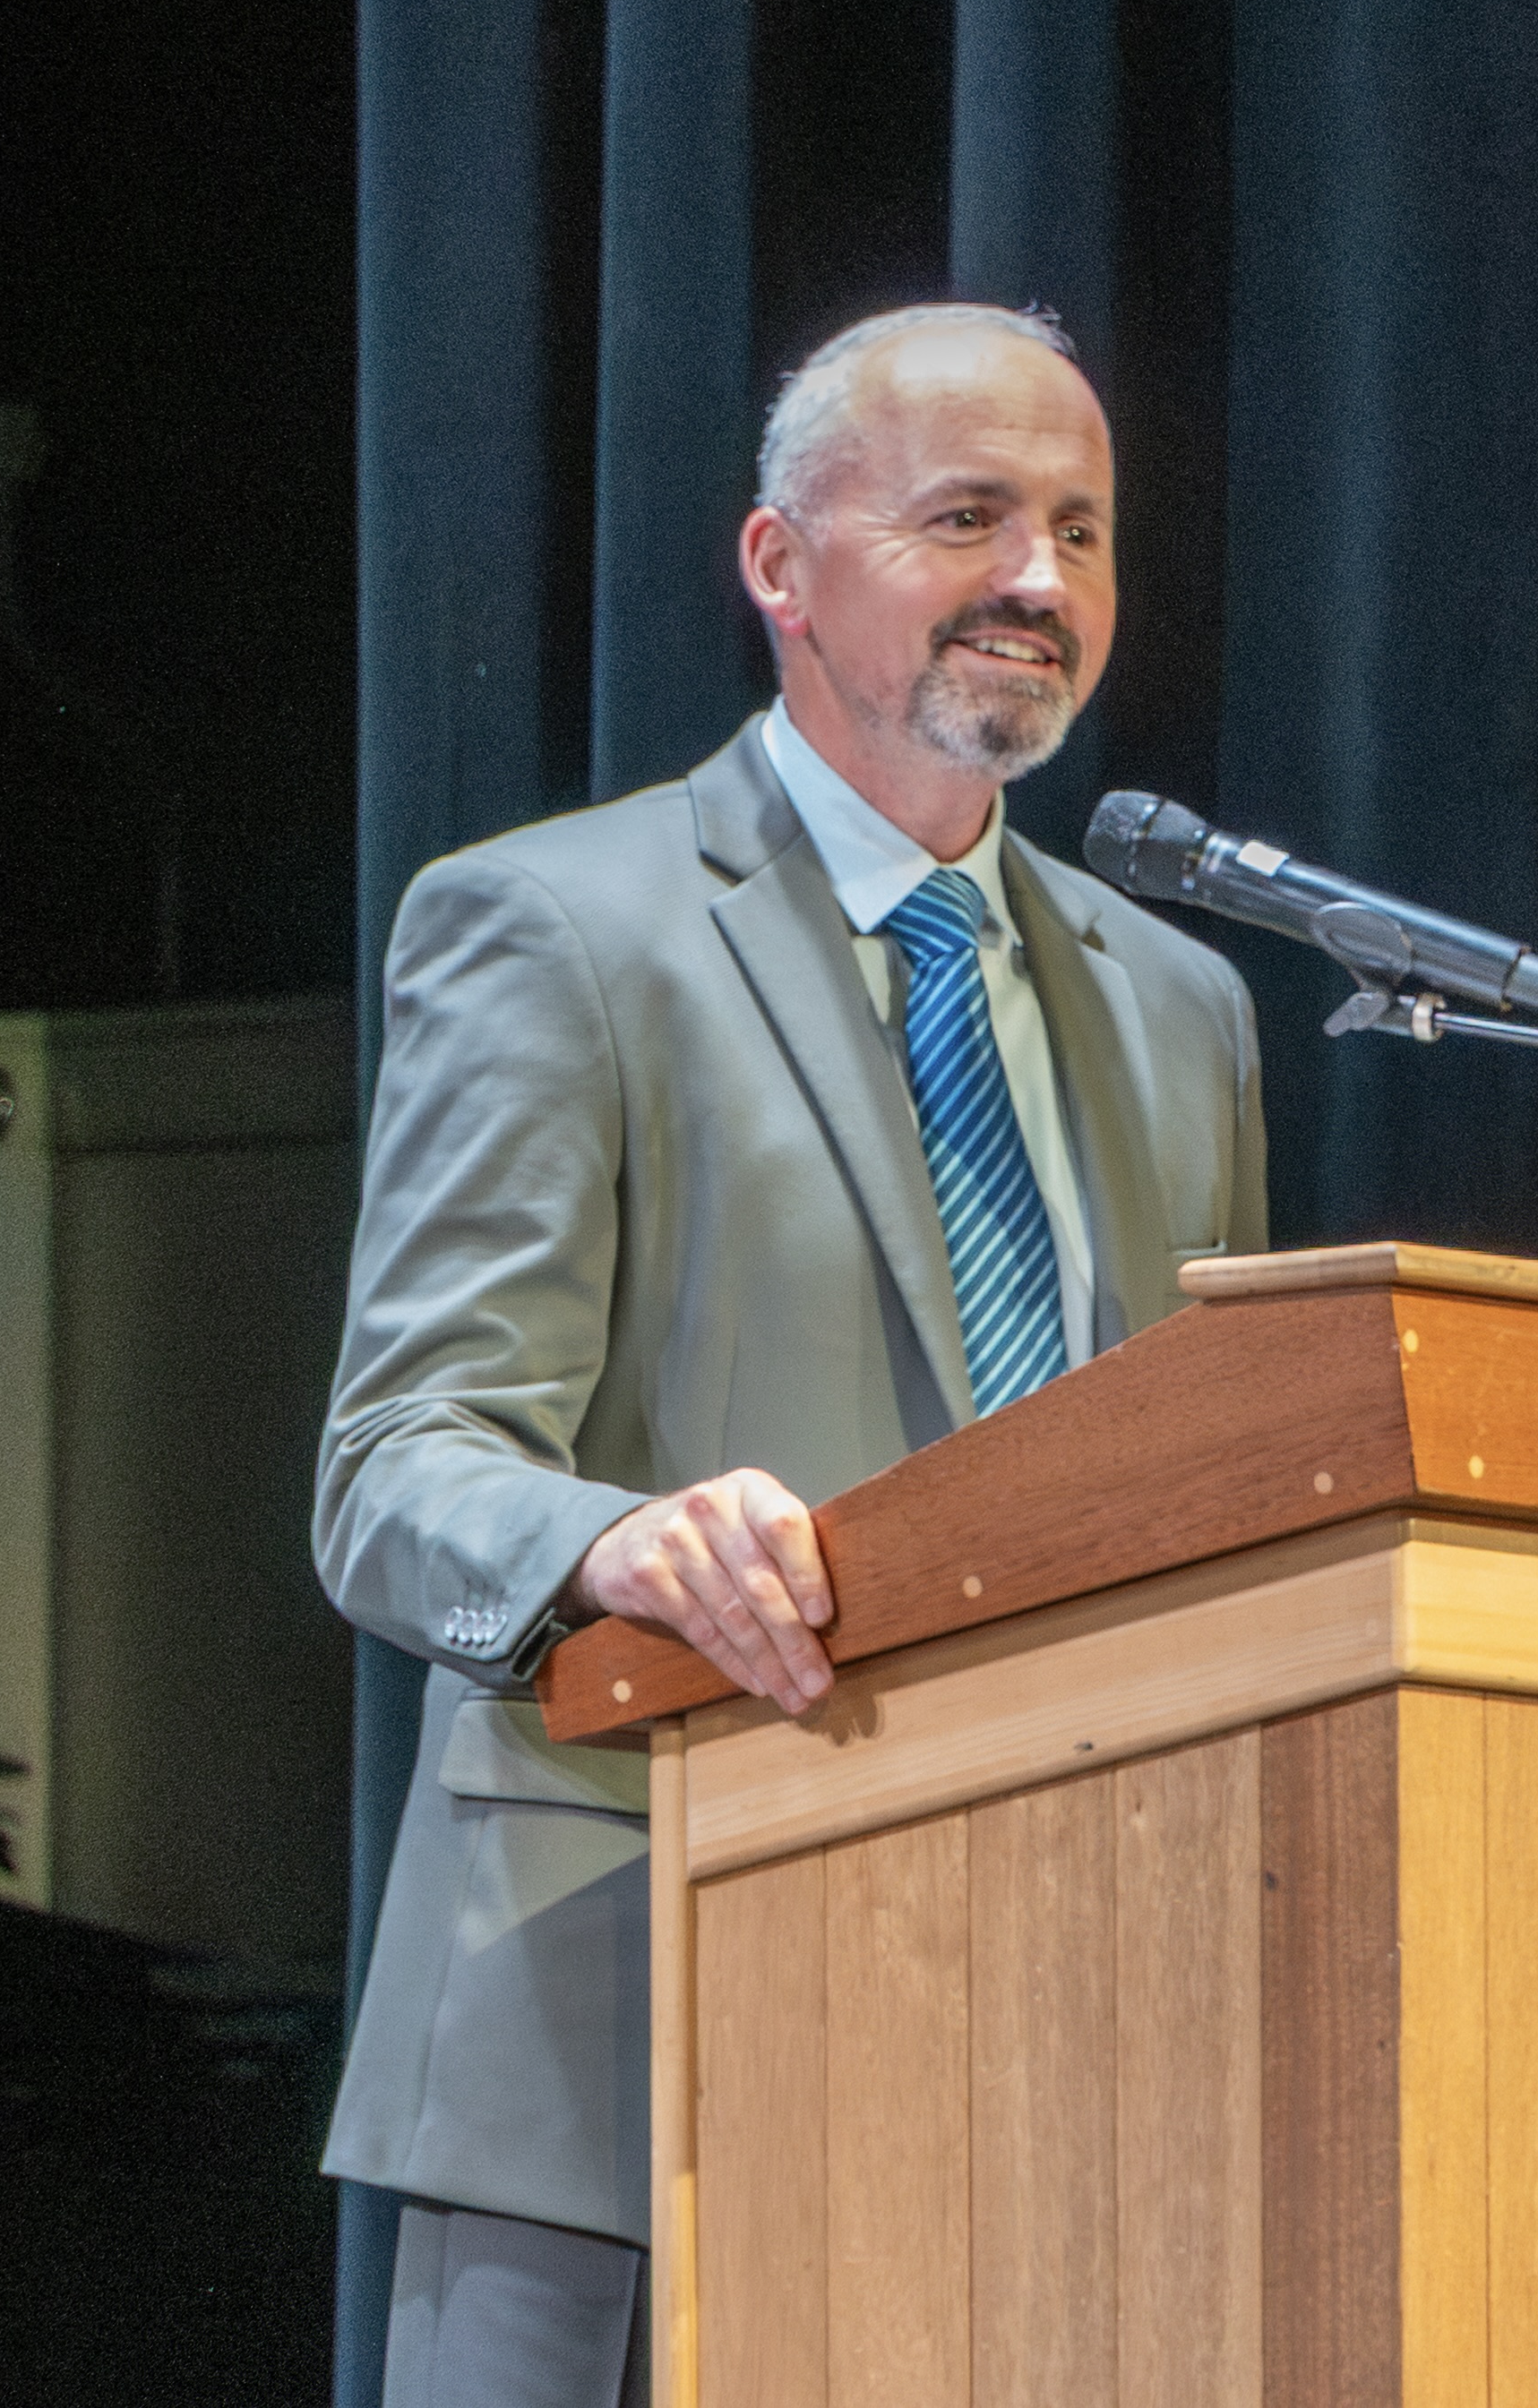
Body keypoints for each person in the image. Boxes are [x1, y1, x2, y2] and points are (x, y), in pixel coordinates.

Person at [313, 304, 1266, 2407]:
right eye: (967, 517)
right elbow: (395, 1468)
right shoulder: (560, 927)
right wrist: (621, 1538)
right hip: (629, 2027)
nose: (1040, 578)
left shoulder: (1181, 1002)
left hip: (1079, 2045)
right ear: (779, 564)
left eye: (1082, 530)